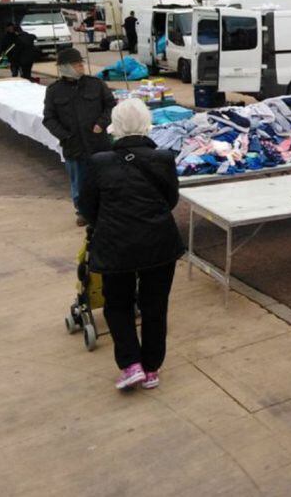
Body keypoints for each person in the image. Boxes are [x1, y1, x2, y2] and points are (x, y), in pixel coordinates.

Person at [79, 98, 184, 390]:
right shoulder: (163, 158)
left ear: (115, 126)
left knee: (118, 304)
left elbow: (87, 207)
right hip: (159, 243)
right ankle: (151, 367)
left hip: (116, 245)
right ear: (146, 123)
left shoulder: (99, 162)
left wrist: (110, 221)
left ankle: (131, 364)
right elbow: (170, 200)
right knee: (155, 305)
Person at [42, 47, 115, 225]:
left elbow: (110, 105)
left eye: (81, 63)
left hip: (99, 143)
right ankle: (82, 211)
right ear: (65, 67)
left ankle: (105, 209)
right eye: (76, 64)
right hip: (73, 146)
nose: (81, 67)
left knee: (104, 178)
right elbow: (49, 118)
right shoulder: (54, 91)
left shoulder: (96, 84)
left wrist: (101, 123)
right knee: (79, 182)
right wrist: (65, 136)